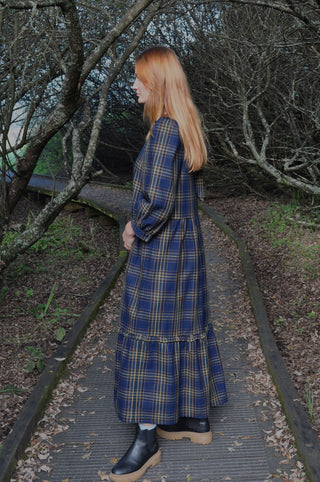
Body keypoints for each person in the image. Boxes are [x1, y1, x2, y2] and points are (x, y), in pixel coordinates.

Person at [110, 46, 227, 482]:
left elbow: (156, 204)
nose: (134, 84)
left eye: (140, 78)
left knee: (149, 331)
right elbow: (186, 197)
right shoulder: (188, 126)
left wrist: (133, 228)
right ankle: (190, 419)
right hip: (186, 249)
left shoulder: (163, 131)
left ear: (158, 82)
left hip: (160, 254)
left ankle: (146, 441)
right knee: (179, 326)